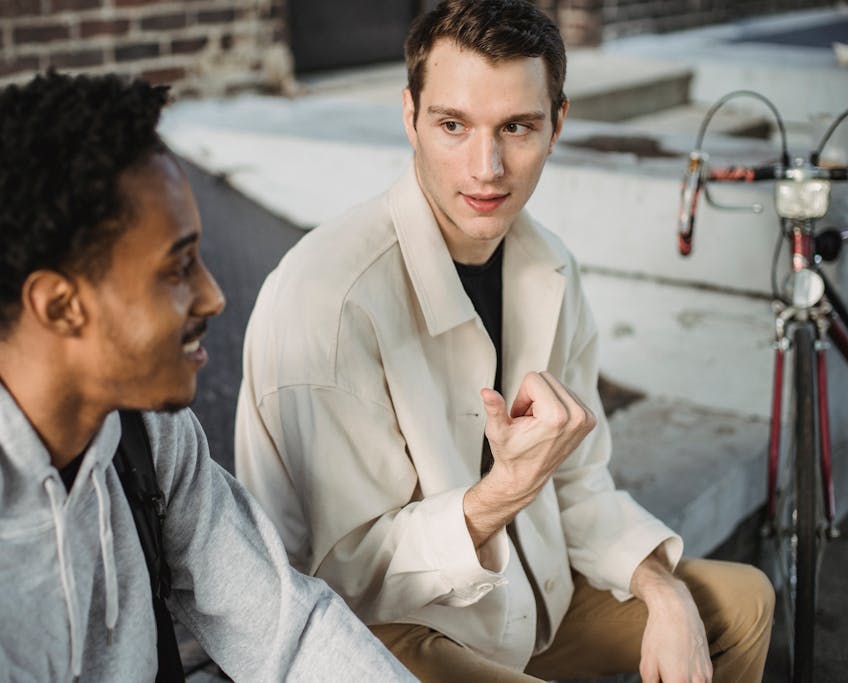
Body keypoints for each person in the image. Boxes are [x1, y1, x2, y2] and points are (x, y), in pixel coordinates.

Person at [234, 2, 774, 681]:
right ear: (410, 117)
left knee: (740, 605)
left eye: (516, 127)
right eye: (453, 125)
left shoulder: (550, 265)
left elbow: (577, 479)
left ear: (557, 125)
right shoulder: (329, 298)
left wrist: (661, 590)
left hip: (524, 599)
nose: (486, 167)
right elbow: (343, 576)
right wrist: (505, 491)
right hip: (378, 633)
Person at [0, 71, 414, 682]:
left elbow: (285, 632)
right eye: (178, 268)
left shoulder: (144, 431)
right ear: (60, 306)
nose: (213, 296)